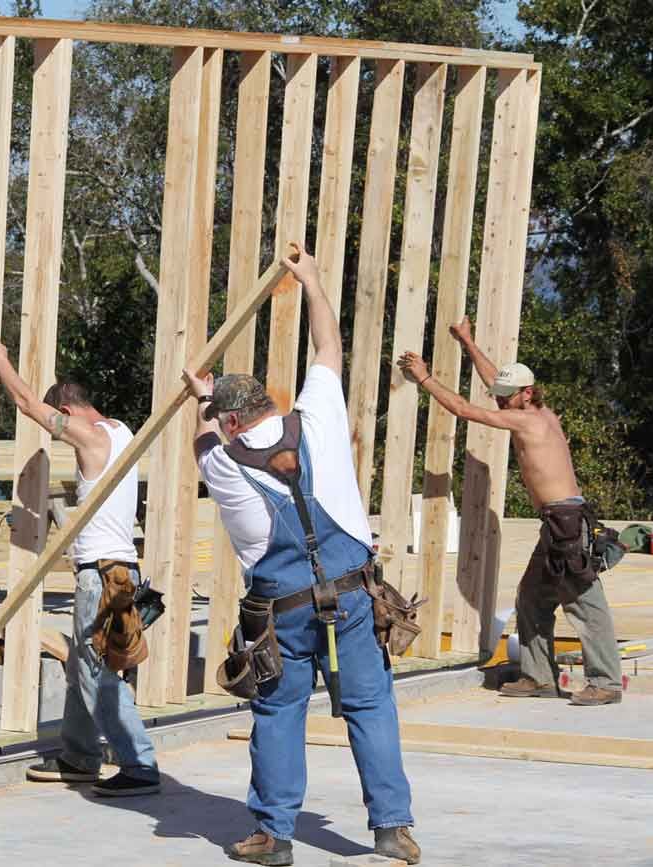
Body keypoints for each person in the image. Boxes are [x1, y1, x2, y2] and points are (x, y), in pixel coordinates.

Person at [183, 243, 418, 866]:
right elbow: (328, 348)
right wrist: (311, 279)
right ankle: (392, 827)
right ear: (265, 402)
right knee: (370, 707)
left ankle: (275, 835)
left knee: (279, 712)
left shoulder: (226, 464)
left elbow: (202, 443)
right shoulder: (315, 417)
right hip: (355, 596)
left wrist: (197, 400)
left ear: (231, 420)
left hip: (284, 612)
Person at [0, 330, 161, 797]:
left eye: (64, 417)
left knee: (96, 669)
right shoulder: (121, 431)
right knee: (84, 661)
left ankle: (139, 764)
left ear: (72, 411)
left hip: (101, 575)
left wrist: (1, 363)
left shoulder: (92, 437)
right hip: (120, 571)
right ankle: (80, 755)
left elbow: (28, 405)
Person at [398, 319, 623, 706]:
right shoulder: (535, 408)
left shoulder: (528, 420)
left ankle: (606, 683)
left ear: (528, 393)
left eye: (507, 396)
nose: (499, 400)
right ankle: (538, 677)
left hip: (566, 524)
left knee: (585, 603)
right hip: (557, 524)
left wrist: (425, 379)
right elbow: (493, 382)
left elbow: (466, 410)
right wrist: (467, 341)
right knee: (532, 598)